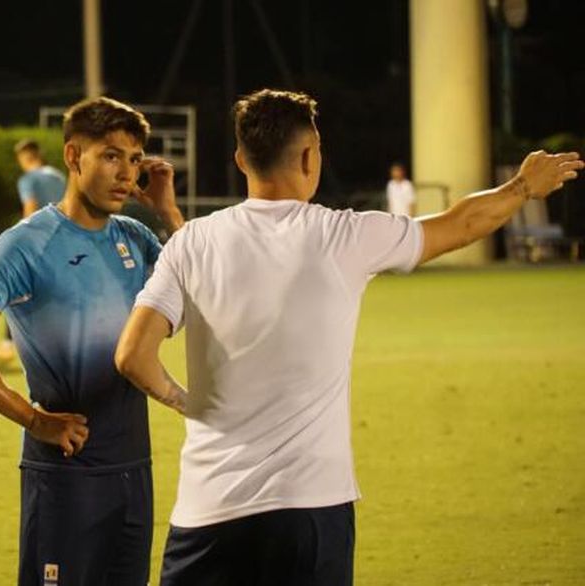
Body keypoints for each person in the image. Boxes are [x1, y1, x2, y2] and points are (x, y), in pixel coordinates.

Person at [114, 89, 582, 585]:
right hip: (311, 507)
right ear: (310, 156)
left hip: (209, 510)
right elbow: (463, 224)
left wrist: (183, 400)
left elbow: (133, 357)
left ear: (240, 160)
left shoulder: (191, 242)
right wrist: (522, 188)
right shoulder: (344, 236)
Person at [0, 96, 184, 586]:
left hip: (134, 467)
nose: (126, 174)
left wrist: (170, 214)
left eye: (134, 160)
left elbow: (202, 296)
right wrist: (32, 419)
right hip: (68, 477)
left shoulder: (135, 237)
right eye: (111, 156)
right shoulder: (26, 244)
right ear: (73, 157)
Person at [0, 139, 68, 367]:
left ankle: (10, 347)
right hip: (64, 243)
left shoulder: (29, 179)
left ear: (25, 158)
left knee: (17, 292)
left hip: (38, 245)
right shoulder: (59, 177)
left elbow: (30, 212)